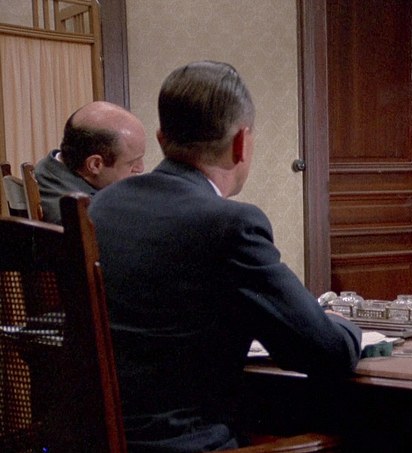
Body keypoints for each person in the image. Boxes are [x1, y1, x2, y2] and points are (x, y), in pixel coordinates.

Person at [89, 61, 362, 452]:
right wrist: (342, 323)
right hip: (191, 443)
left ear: (162, 139)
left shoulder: (102, 206)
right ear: (241, 143)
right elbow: (326, 353)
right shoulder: (231, 225)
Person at [34, 101, 146, 224]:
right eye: (132, 163)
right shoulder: (79, 217)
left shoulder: (52, 168)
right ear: (95, 165)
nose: (141, 168)